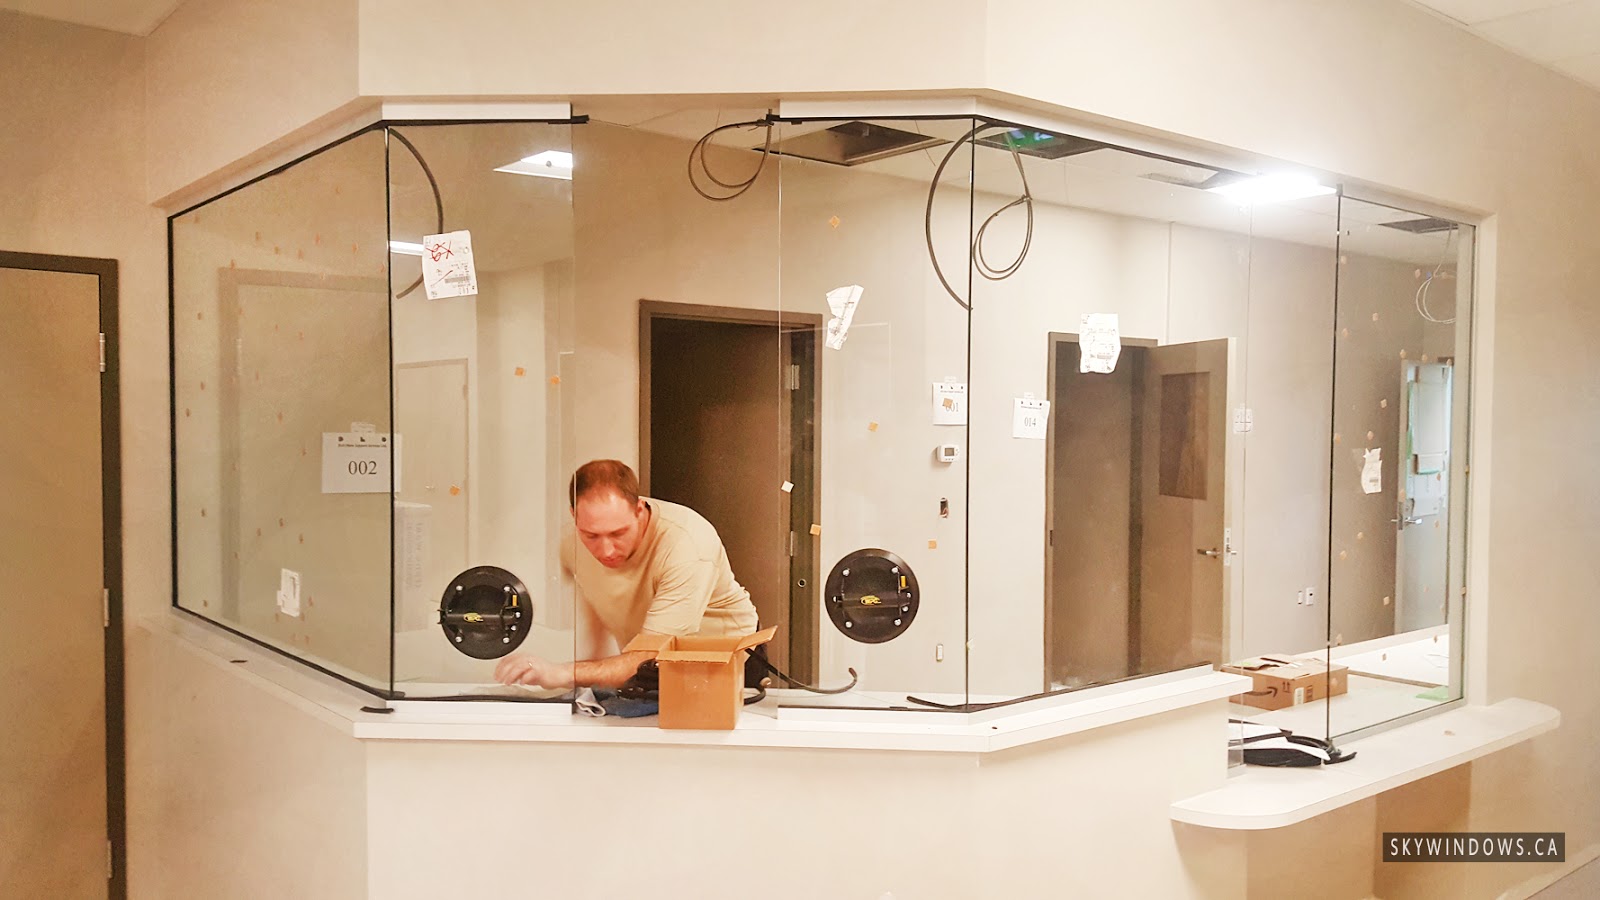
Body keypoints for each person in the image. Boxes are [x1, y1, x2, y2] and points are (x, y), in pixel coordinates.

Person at [494, 459, 759, 689]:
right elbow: (597, 600)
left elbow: (652, 656)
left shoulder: (687, 544)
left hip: (726, 663)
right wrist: (592, 664)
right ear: (574, 516)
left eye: (618, 533)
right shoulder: (571, 545)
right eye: (591, 535)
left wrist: (563, 673)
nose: (606, 550)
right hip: (650, 667)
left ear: (639, 510)